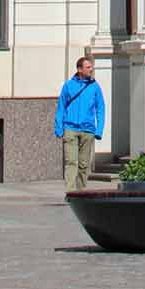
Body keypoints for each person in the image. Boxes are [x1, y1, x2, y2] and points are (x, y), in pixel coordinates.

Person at [53, 54, 104, 196]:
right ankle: (70, 193)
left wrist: (99, 130)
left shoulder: (95, 87)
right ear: (80, 69)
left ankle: (81, 192)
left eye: (91, 67)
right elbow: (61, 108)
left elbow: (101, 108)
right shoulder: (68, 86)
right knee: (71, 162)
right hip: (70, 129)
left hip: (88, 130)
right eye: (88, 67)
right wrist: (59, 128)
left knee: (83, 165)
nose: (91, 69)